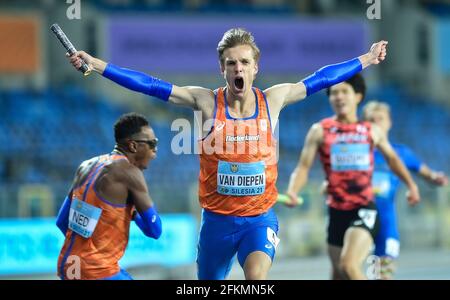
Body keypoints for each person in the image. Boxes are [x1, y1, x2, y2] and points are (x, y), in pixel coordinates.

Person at [67, 28, 388, 280]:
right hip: (217, 223)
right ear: (222, 68)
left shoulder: (273, 100)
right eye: (231, 62)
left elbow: (322, 78)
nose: (239, 68)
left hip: (259, 220)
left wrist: (367, 58)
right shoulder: (206, 102)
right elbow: (149, 85)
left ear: (255, 68)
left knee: (255, 276)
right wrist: (95, 64)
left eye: (245, 62)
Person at [284, 74, 421, 280]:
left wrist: (412, 185)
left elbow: (393, 159)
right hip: (336, 211)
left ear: (358, 96)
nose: (339, 97)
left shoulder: (371, 131)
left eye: (344, 92)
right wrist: (293, 191)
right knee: (338, 275)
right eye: (334, 93)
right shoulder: (319, 131)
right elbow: (303, 167)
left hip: (364, 209)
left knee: (348, 265)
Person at [56, 113, 162, 280]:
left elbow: (62, 221)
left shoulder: (85, 166)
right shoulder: (130, 173)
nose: (155, 151)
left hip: (67, 265)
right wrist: (134, 214)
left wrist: (85, 251)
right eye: (152, 144)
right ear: (133, 146)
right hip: (96, 271)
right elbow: (155, 230)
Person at [362, 100, 448, 279]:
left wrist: (434, 177)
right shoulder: (358, 151)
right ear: (364, 123)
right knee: (351, 270)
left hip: (387, 223)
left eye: (380, 119)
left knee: (382, 274)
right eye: (371, 119)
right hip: (360, 222)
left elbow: (424, 171)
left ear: (389, 123)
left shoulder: (400, 153)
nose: (376, 123)